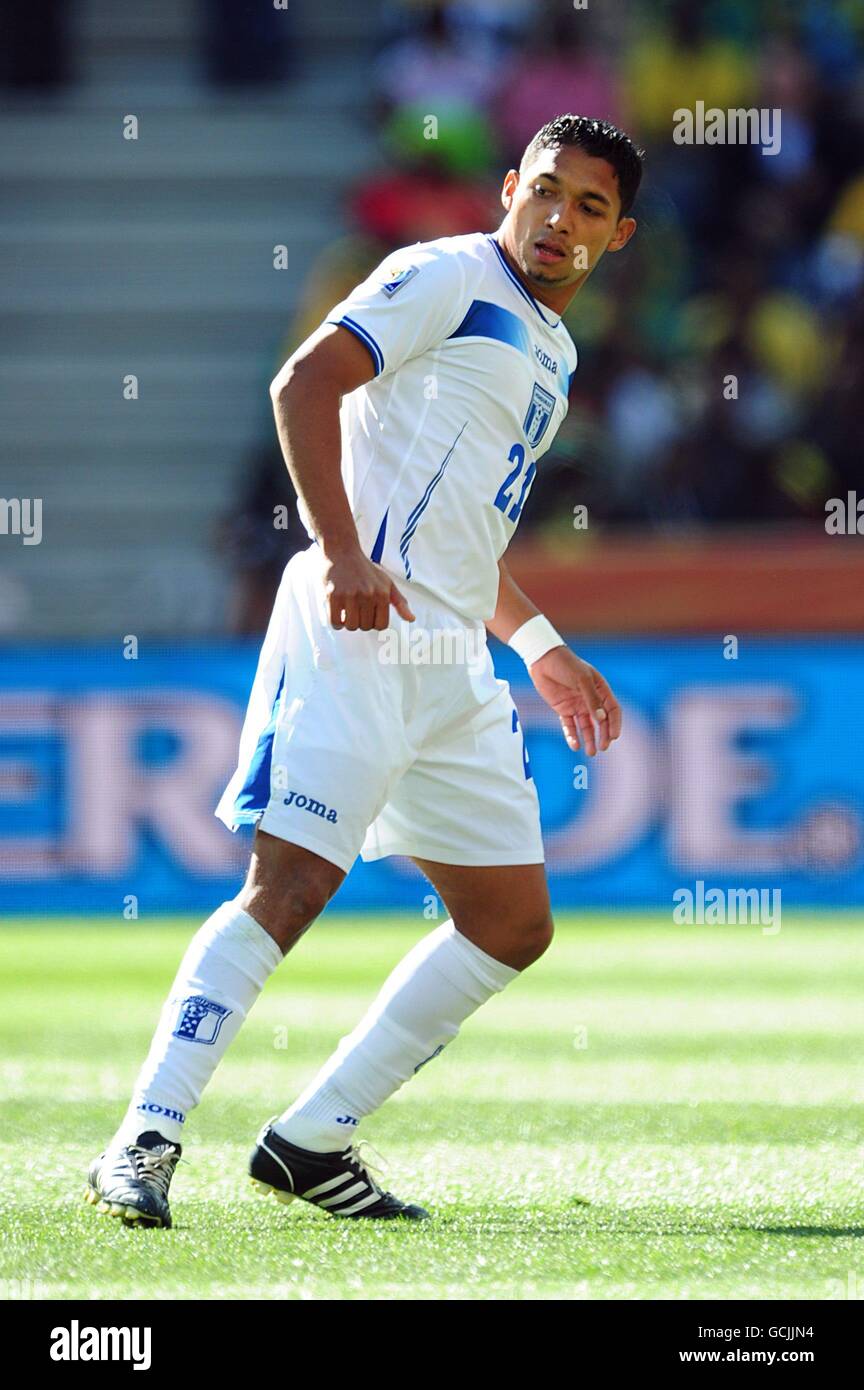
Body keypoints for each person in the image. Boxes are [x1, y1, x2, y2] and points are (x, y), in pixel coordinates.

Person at [84, 114, 642, 1227]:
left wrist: (540, 647)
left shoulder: (555, 350)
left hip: (450, 662)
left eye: (588, 207)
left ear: (616, 236)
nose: (557, 219)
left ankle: (310, 1138)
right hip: (357, 627)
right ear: (508, 191)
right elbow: (303, 385)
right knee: (289, 886)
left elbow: (468, 542)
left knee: (511, 922)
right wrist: (342, 552)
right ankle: (143, 1138)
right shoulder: (445, 275)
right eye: (544, 191)